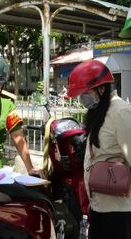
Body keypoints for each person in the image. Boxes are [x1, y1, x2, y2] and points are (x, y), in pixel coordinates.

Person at [67, 60, 131, 239]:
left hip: (119, 211)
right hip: (100, 206)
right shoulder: (101, 112)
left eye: (84, 94)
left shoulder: (121, 112)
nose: (82, 99)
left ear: (101, 89)